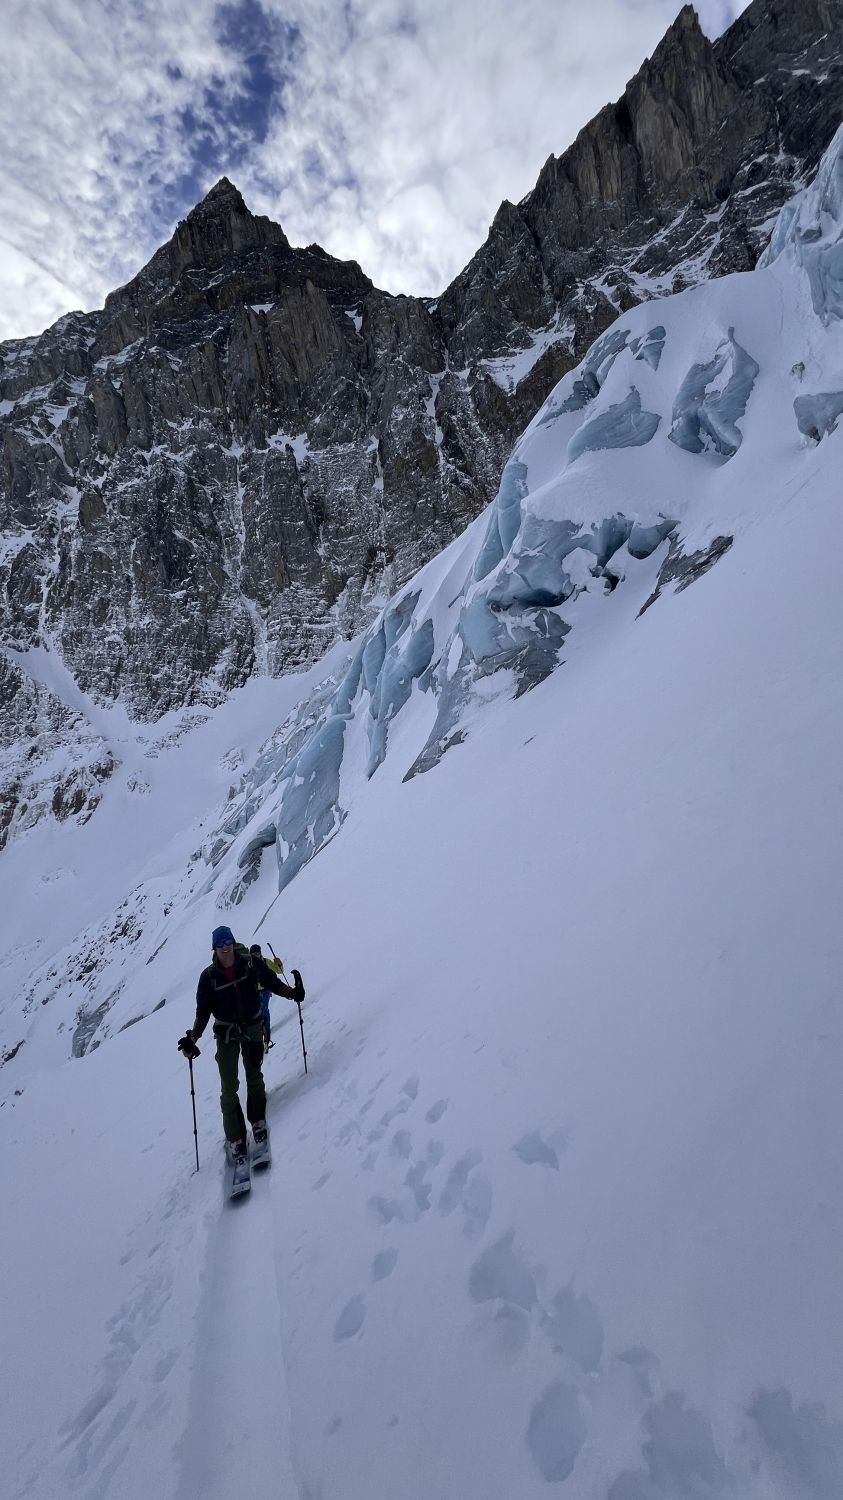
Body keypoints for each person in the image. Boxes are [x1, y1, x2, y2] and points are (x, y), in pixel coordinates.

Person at [178, 925, 304, 1165]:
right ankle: (235, 1138)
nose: (225, 947)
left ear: (233, 943)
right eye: (220, 944)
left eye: (228, 942)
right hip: (227, 1035)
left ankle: (257, 1121)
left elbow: (271, 982)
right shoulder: (208, 977)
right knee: (229, 1087)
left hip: (253, 1027)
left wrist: (292, 993)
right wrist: (192, 1038)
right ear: (214, 948)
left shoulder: (250, 963)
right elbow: (203, 1013)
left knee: (254, 1076)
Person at [249, 942, 285, 1049]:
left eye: (257, 953)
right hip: (254, 992)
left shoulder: (266, 962)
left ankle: (267, 1032)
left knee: (264, 1009)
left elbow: (279, 971)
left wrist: (279, 964)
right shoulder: (249, 965)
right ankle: (260, 1031)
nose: (256, 956)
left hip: (265, 991)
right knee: (256, 1011)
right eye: (253, 954)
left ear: (260, 953)